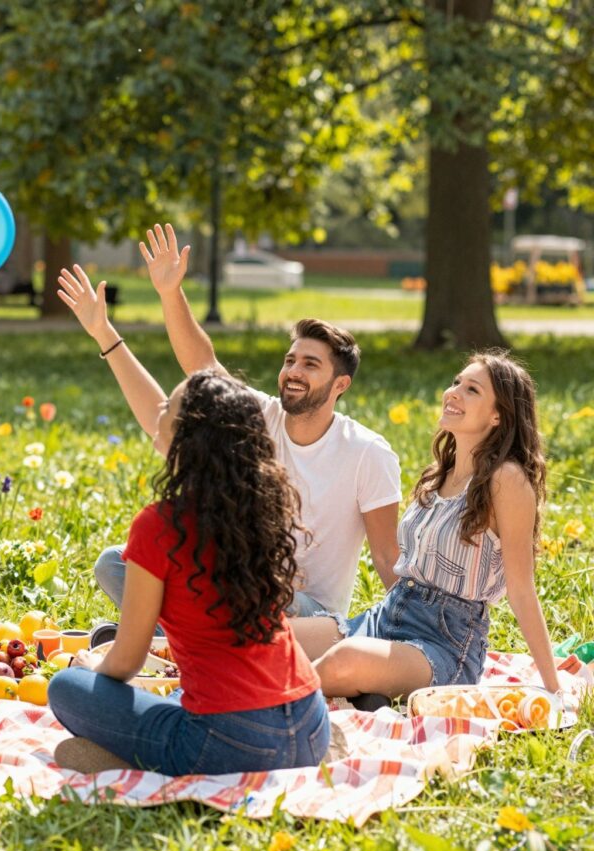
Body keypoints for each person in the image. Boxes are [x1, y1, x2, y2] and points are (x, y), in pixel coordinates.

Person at [89, 224, 400, 619]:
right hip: (234, 583)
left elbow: (388, 555)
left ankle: (166, 638)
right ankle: (180, 641)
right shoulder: (260, 415)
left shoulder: (367, 452)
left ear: (341, 384)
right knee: (116, 564)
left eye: (310, 364)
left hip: (304, 611)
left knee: (254, 595)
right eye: (290, 360)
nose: (293, 371)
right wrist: (171, 292)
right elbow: (203, 368)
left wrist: (409, 630)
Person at [47, 366, 328, 776]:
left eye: (167, 407)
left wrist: (92, 674)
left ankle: (126, 759)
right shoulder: (259, 509)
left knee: (67, 688)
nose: (157, 410)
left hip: (231, 743)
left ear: (187, 436)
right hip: (310, 726)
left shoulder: (160, 525)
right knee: (174, 701)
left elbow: (126, 660)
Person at [290, 352, 562, 701]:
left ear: (498, 415)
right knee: (274, 639)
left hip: (445, 642)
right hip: (388, 615)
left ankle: (261, 707)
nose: (454, 393)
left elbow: (521, 590)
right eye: (456, 383)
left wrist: (553, 688)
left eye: (472, 390)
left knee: (344, 661)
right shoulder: (439, 475)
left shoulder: (506, 480)